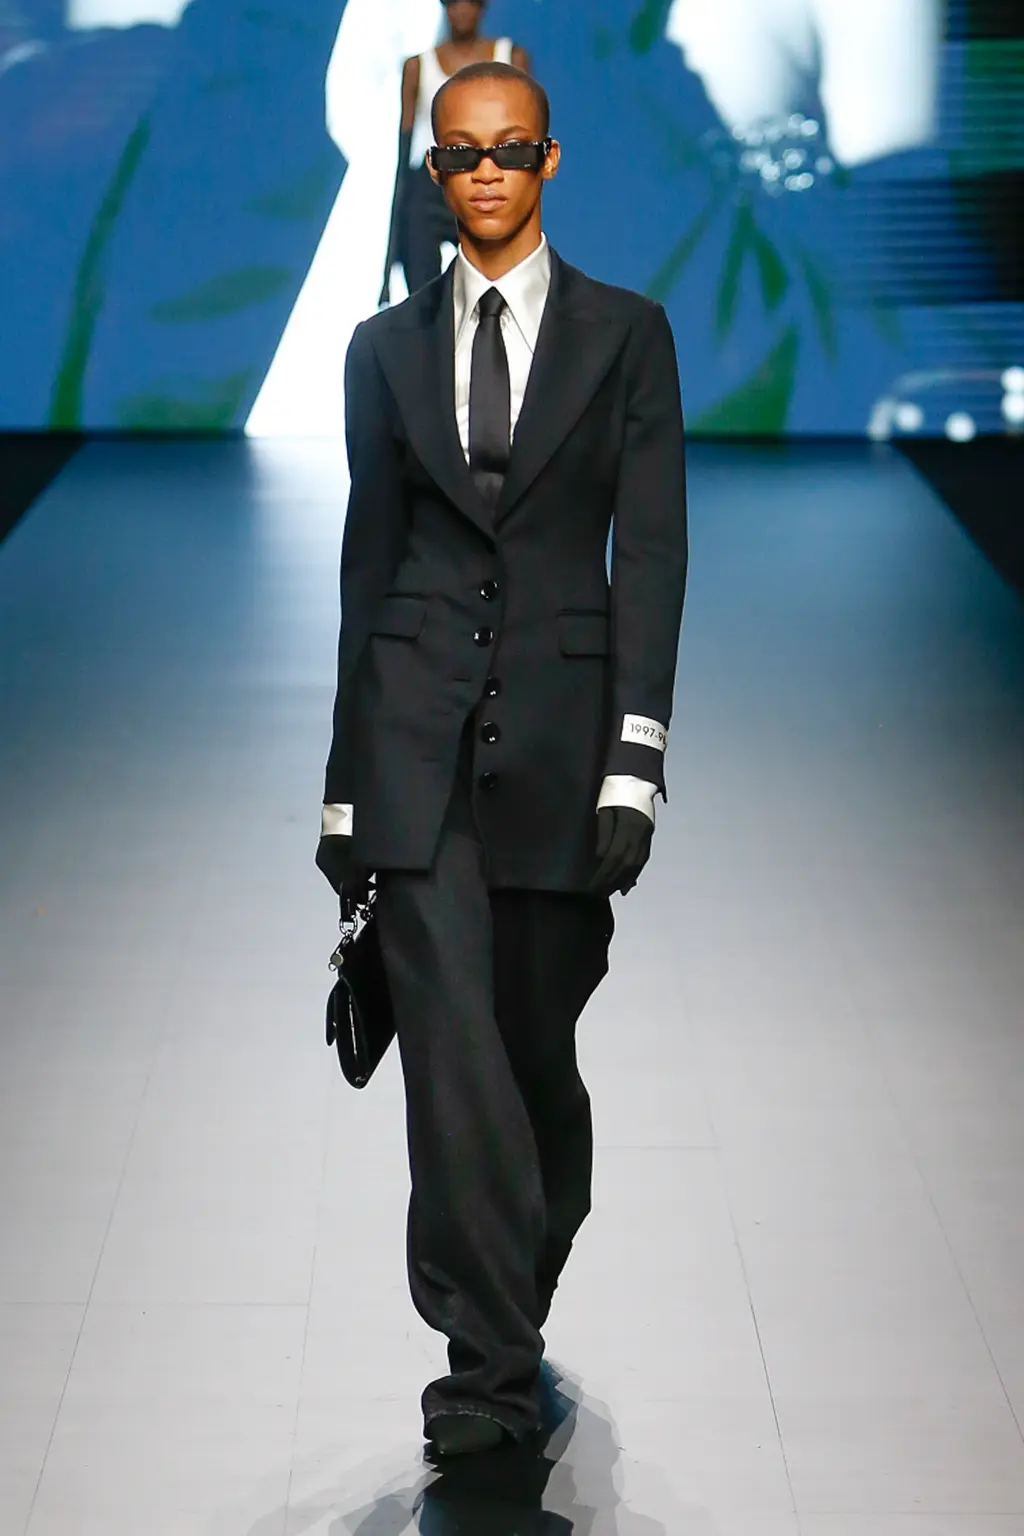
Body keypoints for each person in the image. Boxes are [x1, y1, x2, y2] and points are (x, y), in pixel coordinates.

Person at [316, 60, 687, 1456]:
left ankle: (509, 1288)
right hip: (414, 751)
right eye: (461, 154)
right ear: (433, 173)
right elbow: (367, 568)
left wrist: (634, 756)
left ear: (548, 162)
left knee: (533, 1063)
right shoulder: (381, 351)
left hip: (561, 743)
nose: (486, 173)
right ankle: (483, 1375)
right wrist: (345, 783)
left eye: (510, 150)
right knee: (453, 1061)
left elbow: (651, 555)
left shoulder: (627, 335)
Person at [380, 0, 531, 302]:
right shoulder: (418, 68)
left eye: (469, 2)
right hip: (429, 187)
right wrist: (391, 251)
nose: (461, 10)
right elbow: (403, 155)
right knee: (424, 302)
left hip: (488, 187)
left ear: (483, 7)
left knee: (496, 297)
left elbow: (526, 140)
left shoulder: (511, 59)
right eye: (452, 3)